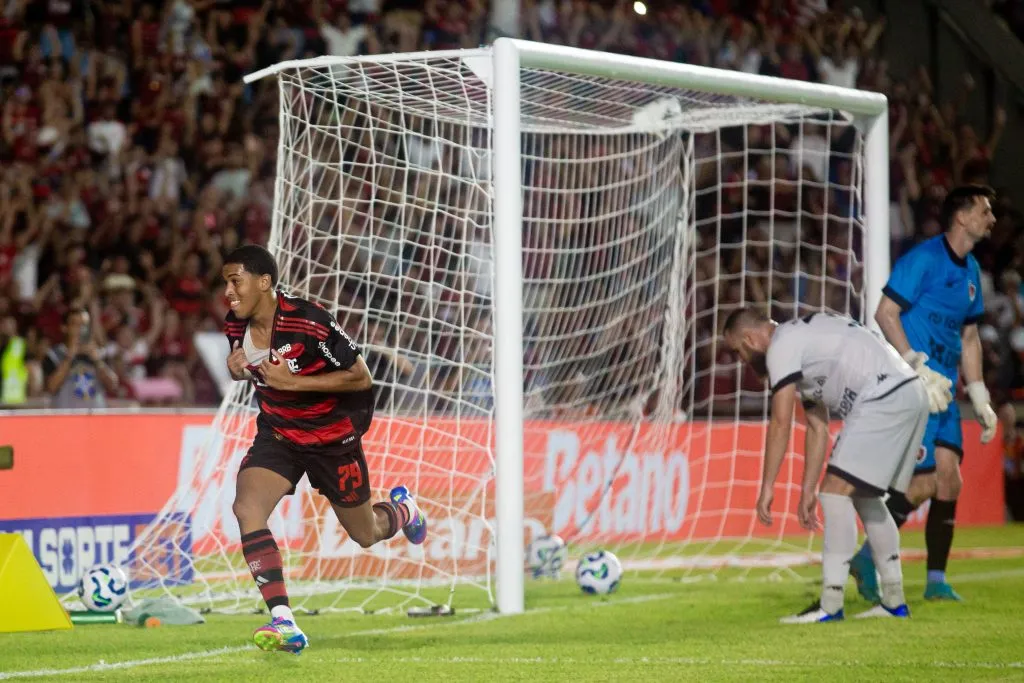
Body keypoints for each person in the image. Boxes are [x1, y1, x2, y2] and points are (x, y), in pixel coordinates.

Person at [222, 245, 427, 654]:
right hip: (279, 435)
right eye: (225, 283)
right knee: (247, 509)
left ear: (264, 283)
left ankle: (403, 510)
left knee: (366, 533)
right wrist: (236, 369)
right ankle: (284, 622)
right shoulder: (234, 325)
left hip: (332, 440)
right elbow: (246, 365)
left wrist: (294, 384)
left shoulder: (310, 322)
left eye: (235, 281)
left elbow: (360, 378)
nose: (228, 292)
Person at [723, 307, 948, 623]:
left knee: (835, 494)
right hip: (910, 394)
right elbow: (817, 427)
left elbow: (781, 421)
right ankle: (894, 602)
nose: (742, 359)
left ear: (750, 338)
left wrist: (768, 485)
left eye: (739, 351)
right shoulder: (802, 344)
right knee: (864, 498)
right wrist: (806, 490)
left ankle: (830, 605)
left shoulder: (781, 346)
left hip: (884, 395)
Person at [850, 185, 998, 603]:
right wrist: (915, 365)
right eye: (985, 211)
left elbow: (969, 337)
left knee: (950, 481)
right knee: (932, 479)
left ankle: (935, 581)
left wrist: (981, 395)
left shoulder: (970, 271)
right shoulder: (923, 260)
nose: (992, 218)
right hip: (915, 389)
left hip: (946, 392)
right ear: (963, 217)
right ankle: (866, 557)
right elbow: (885, 313)